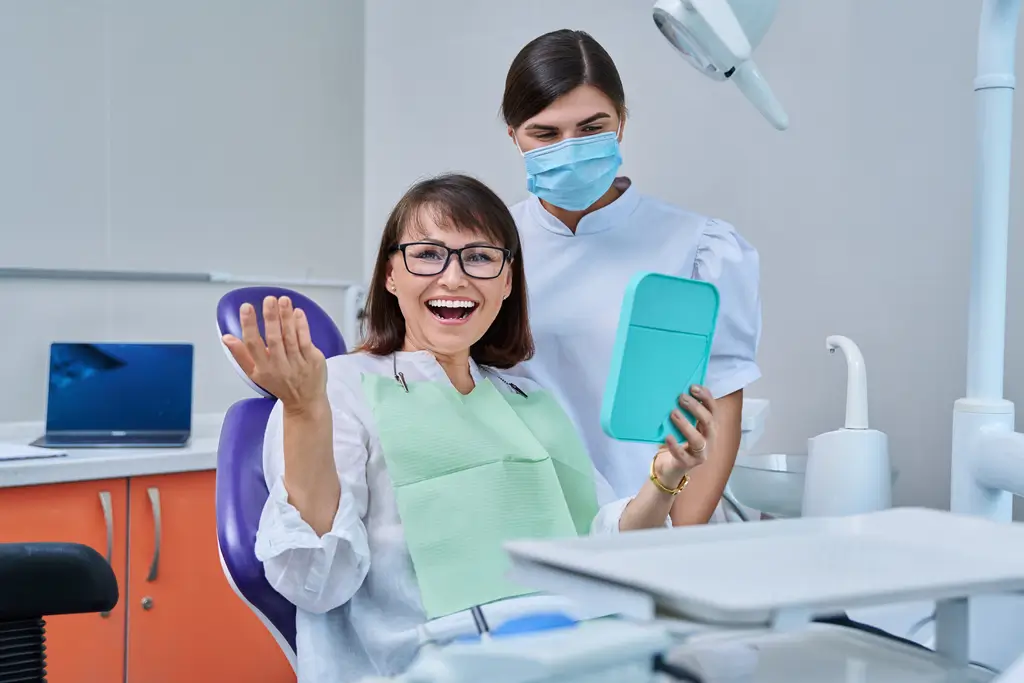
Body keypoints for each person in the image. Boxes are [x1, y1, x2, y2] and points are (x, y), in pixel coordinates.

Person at [221, 173, 720, 682]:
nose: (454, 278)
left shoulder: (528, 399)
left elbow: (597, 550)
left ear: (507, 281)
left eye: (479, 257)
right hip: (431, 664)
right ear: (391, 274)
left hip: (573, 648)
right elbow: (316, 583)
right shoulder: (340, 389)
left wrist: (664, 476)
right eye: (427, 254)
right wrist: (305, 411)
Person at [501, 29, 762, 525]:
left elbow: (721, 399)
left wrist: (678, 538)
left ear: (621, 122)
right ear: (513, 135)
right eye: (546, 133)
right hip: (531, 519)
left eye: (591, 127)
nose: (570, 148)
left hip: (657, 515)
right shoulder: (488, 248)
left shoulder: (699, 248)